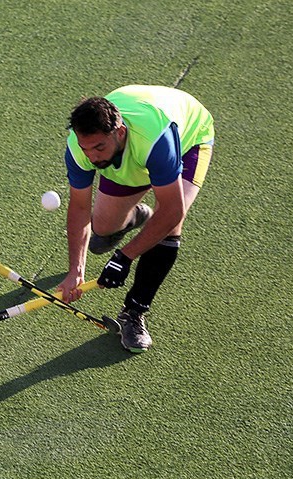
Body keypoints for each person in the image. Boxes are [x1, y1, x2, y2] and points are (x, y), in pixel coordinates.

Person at [58, 85, 214, 353]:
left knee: (169, 225)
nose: (92, 157)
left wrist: (124, 257)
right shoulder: (80, 147)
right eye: (87, 149)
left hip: (189, 139)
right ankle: (138, 217)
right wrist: (76, 270)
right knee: (103, 228)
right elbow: (80, 208)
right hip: (132, 152)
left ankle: (134, 312)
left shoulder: (156, 139)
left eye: (98, 147)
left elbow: (172, 210)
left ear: (119, 132)